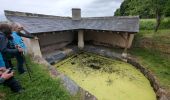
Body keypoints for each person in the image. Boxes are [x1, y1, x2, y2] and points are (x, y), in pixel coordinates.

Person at [0, 23, 23, 92]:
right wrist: (17, 50)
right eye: (10, 29)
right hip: (2, 59)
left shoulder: (2, 36)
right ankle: (17, 89)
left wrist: (14, 47)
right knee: (7, 73)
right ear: (6, 30)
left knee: (6, 72)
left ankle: (10, 84)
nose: (11, 31)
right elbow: (4, 50)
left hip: (3, 58)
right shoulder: (2, 36)